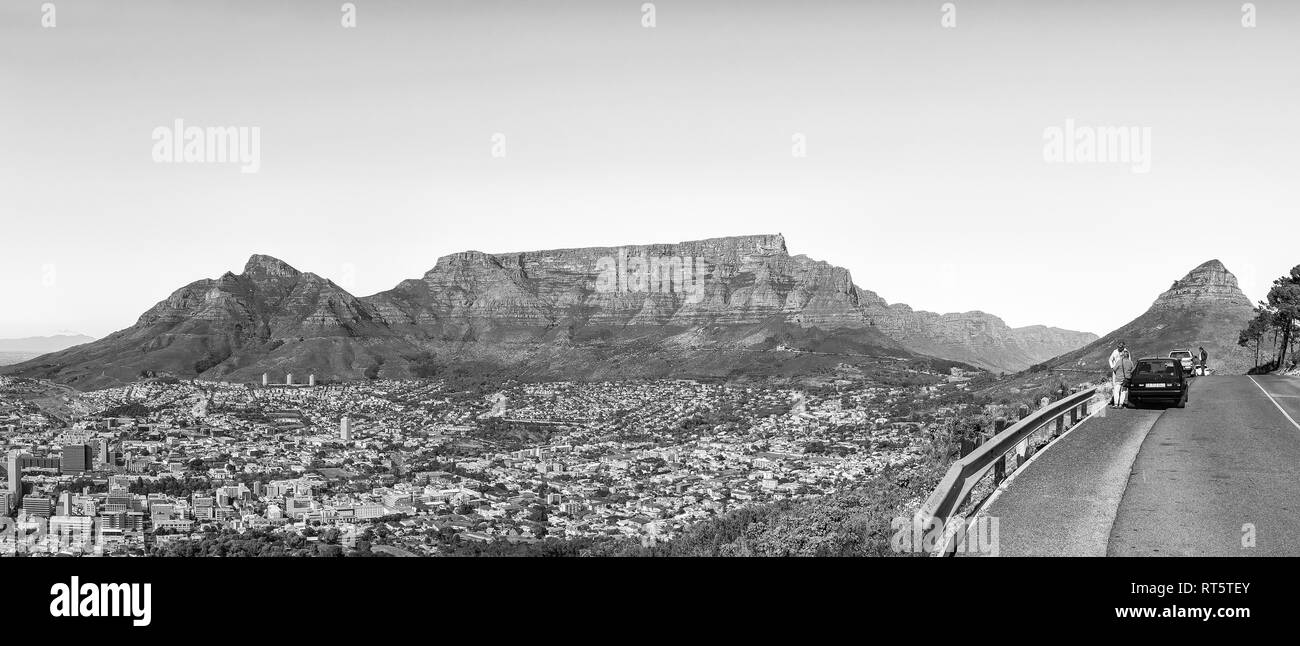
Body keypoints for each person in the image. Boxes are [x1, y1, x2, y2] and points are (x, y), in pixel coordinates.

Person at [1108, 341, 1134, 408]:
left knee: (1119, 388)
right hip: (1118, 371)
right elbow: (1110, 360)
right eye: (1118, 347)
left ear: (1123, 347)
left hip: (1121, 371)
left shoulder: (1126, 352)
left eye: (1121, 347)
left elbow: (1129, 360)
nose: (1119, 348)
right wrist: (1112, 367)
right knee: (1119, 388)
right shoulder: (1115, 352)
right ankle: (1119, 403)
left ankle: (1118, 403)